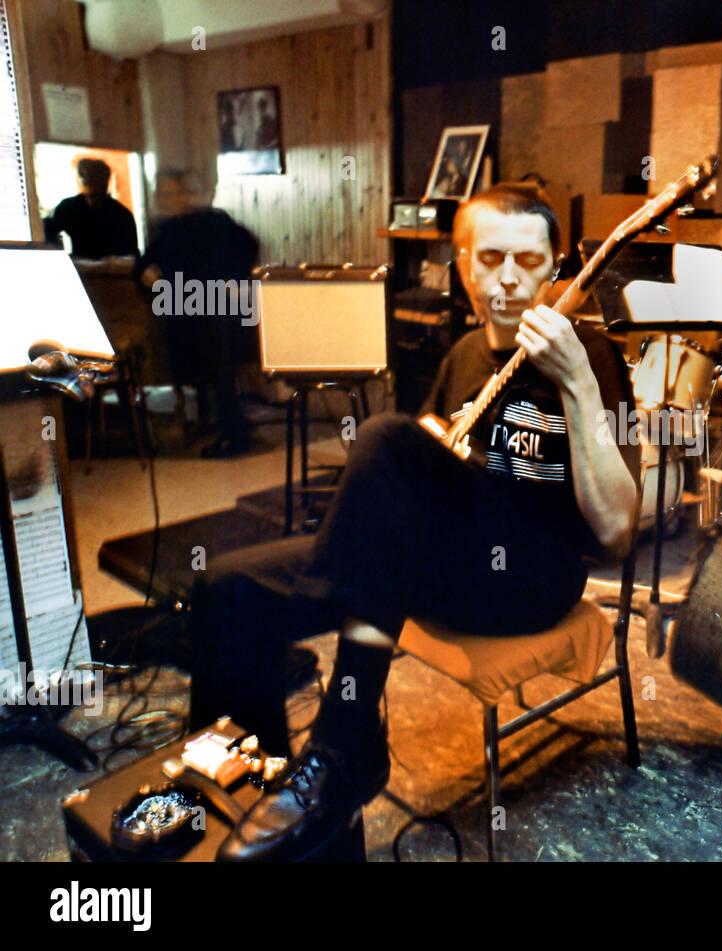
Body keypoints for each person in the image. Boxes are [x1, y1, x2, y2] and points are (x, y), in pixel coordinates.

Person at [190, 184, 640, 861]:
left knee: (381, 437)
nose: (510, 276)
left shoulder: (591, 356)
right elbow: (418, 477)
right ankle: (266, 792)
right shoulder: (461, 356)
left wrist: (575, 382)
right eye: (490, 257)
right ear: (463, 265)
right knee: (228, 590)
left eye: (529, 259)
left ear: (554, 268)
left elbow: (617, 532)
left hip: (535, 579)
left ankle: (344, 738)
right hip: (449, 564)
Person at [135, 170, 259, 457]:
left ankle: (233, 435)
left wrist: (232, 279)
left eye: (168, 193)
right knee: (207, 372)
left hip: (215, 308)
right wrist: (148, 275)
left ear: (182, 195)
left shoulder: (214, 221)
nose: (163, 200)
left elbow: (248, 247)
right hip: (185, 310)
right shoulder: (166, 229)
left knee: (221, 372)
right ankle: (223, 428)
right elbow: (144, 264)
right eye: (160, 194)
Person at [43, 157, 139, 259]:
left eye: (98, 178)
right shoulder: (69, 207)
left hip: (113, 272)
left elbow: (131, 256)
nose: (96, 183)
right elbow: (47, 230)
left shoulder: (122, 215)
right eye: (91, 177)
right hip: (81, 270)